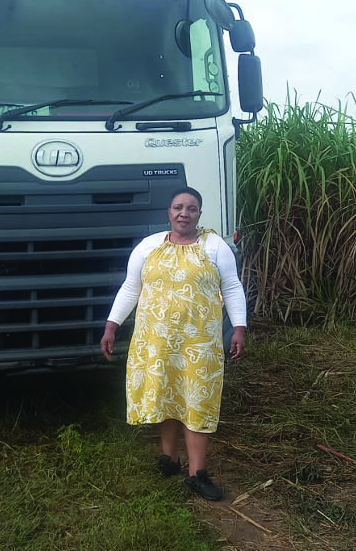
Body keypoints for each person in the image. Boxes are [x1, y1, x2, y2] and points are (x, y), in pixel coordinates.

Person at [100, 187, 247, 501]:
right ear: (169, 212)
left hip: (199, 342)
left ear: (199, 214)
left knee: (196, 402)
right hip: (156, 342)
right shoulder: (148, 246)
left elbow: (232, 288)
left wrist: (239, 328)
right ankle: (169, 460)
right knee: (166, 396)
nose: (184, 213)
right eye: (178, 207)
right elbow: (130, 288)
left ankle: (198, 474)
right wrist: (111, 325)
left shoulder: (215, 246)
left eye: (191, 208)